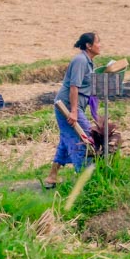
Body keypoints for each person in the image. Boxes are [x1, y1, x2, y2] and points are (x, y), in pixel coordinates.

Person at [45, 33, 101, 188]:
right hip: (66, 106)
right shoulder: (80, 60)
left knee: (66, 139)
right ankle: (85, 177)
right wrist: (74, 112)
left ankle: (52, 176)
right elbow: (74, 87)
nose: (100, 45)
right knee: (85, 137)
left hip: (73, 106)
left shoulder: (89, 62)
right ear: (89, 46)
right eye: (98, 42)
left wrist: (95, 114)